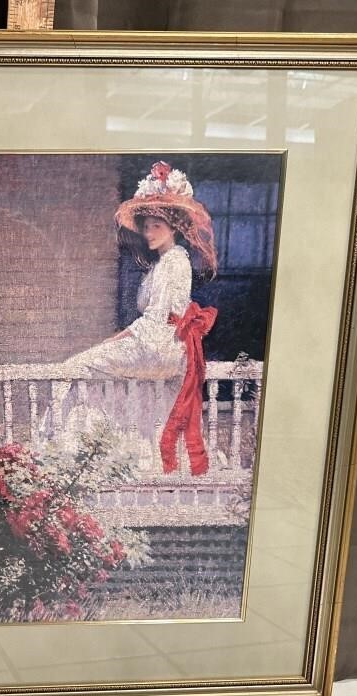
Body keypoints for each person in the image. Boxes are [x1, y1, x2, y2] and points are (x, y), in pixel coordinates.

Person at [53, 161, 218, 476]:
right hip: (157, 343)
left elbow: (159, 318)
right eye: (146, 226)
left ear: (173, 227)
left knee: (75, 366)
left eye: (157, 225)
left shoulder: (176, 261)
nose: (148, 232)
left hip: (159, 345)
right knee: (92, 372)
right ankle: (117, 451)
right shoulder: (161, 264)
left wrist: (119, 337)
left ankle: (71, 448)